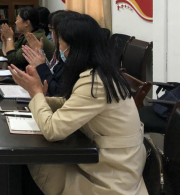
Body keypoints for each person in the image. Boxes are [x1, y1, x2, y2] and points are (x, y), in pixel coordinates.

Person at [10, 14, 147, 195]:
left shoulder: (95, 83)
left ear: (76, 48)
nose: (59, 50)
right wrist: (41, 98)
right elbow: (71, 103)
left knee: (33, 164)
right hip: (110, 162)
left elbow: (52, 130)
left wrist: (36, 94)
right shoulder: (101, 73)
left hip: (111, 178)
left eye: (61, 44)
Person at [21, 10, 71, 97]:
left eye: (51, 29)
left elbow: (57, 91)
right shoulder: (59, 50)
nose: (51, 33)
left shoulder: (67, 52)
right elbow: (51, 71)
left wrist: (40, 65)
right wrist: (40, 53)